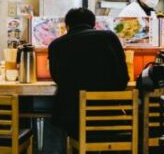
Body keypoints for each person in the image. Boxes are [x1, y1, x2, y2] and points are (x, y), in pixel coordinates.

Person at [48, 7, 130, 139]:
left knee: (57, 119)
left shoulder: (56, 45)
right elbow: (123, 78)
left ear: (67, 26)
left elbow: (58, 78)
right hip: (110, 117)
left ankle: (67, 152)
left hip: (74, 120)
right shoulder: (109, 38)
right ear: (93, 24)